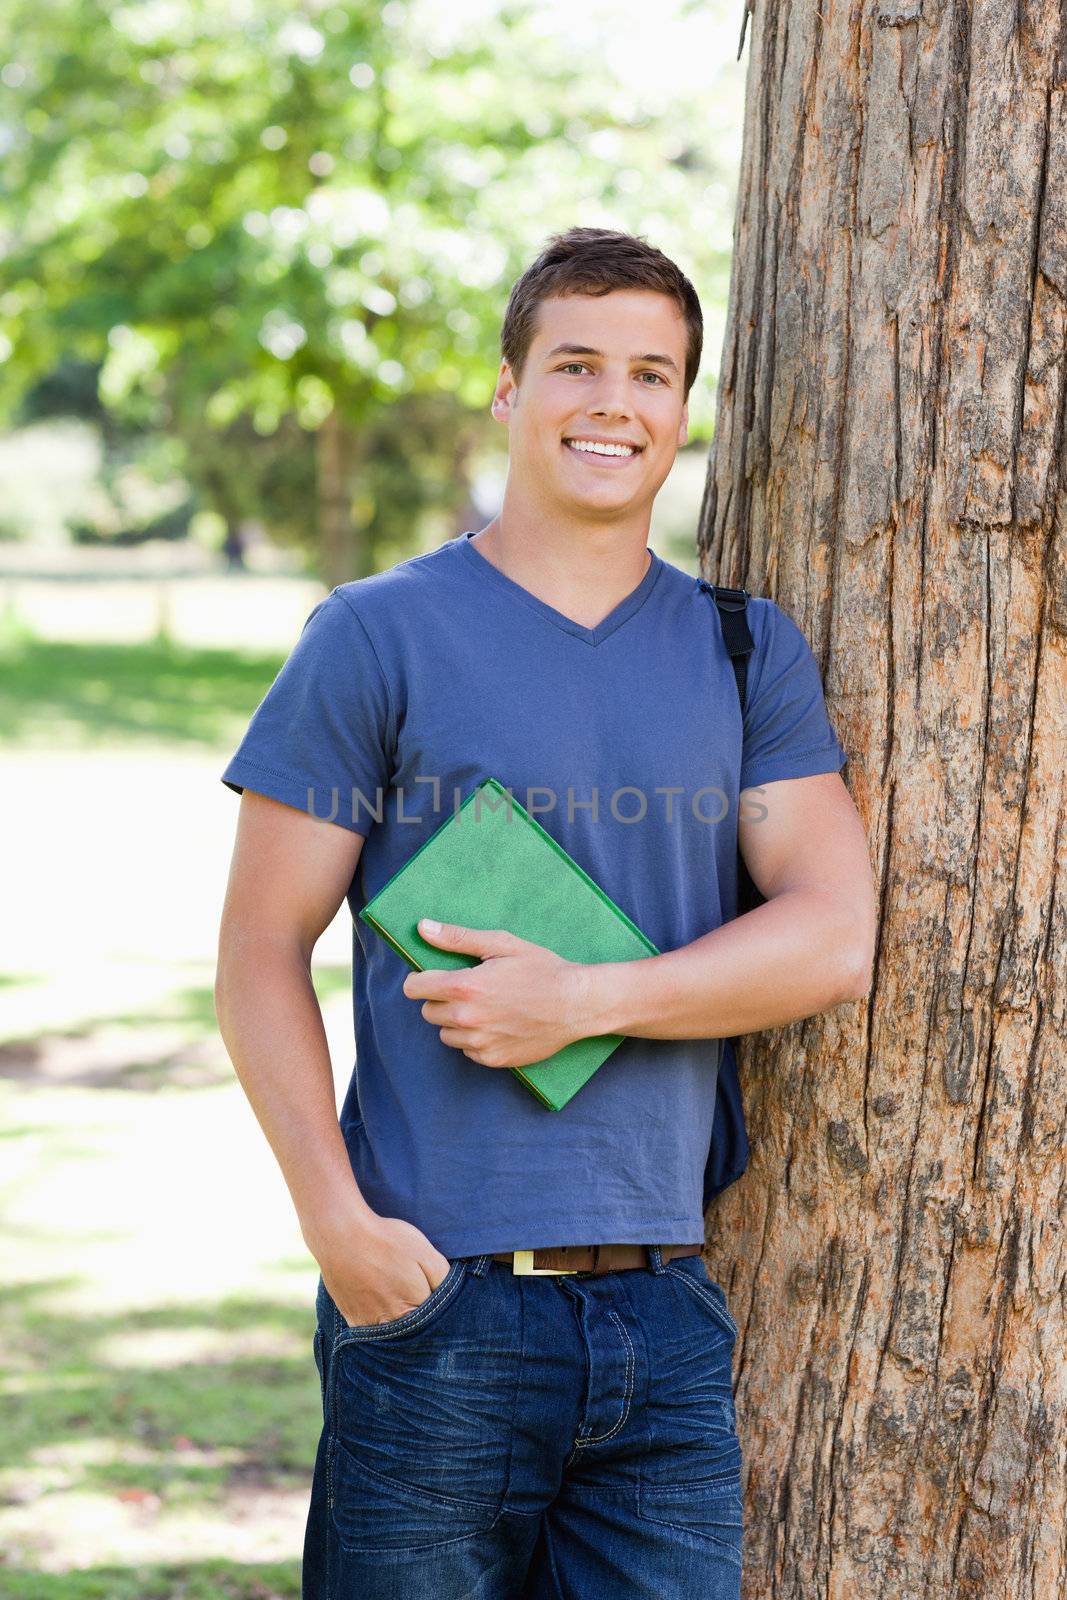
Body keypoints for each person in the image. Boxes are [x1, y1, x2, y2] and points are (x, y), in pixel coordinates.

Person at [215, 226, 877, 1599]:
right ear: (512, 391)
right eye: (575, 364)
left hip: (667, 1313)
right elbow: (259, 952)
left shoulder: (744, 649)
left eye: (651, 373)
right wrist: (337, 1231)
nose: (612, 403)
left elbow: (830, 933)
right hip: (434, 1300)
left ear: (681, 412)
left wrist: (583, 1001)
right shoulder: (377, 636)